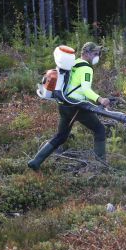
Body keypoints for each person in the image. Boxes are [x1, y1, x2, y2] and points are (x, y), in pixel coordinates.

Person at [28, 42, 110, 171]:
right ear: (87, 53)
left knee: (61, 137)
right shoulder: (86, 69)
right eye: (95, 53)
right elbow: (86, 90)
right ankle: (101, 165)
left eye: (98, 54)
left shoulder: (73, 63)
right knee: (99, 130)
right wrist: (100, 99)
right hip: (77, 107)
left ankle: (35, 161)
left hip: (64, 105)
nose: (97, 56)